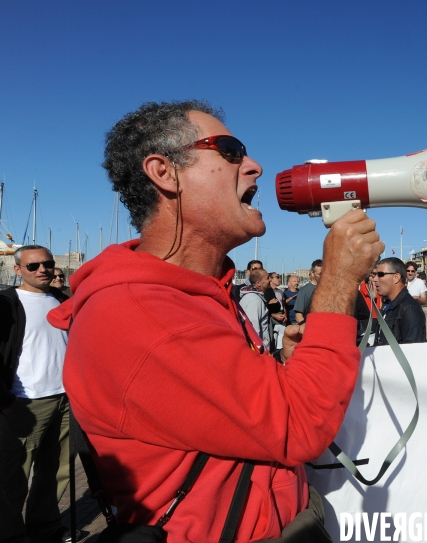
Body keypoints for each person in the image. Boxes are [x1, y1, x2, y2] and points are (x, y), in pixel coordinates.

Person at [47, 100, 383, 542]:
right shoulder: (139, 312)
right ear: (164, 173)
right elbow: (297, 426)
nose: (255, 166)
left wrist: (288, 366)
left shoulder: (196, 292)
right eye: (229, 150)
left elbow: (234, 413)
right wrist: (338, 282)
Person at [0, 245, 70, 543]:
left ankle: (45, 531)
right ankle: (11, 536)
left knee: (57, 472)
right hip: (24, 403)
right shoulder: (6, 304)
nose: (42, 270)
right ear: (18, 270)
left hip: (66, 400)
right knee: (12, 479)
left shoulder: (62, 300)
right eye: (33, 266)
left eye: (47, 264)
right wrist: (6, 401)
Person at [372, 257, 425, 345]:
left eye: (380, 274)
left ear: (396, 277)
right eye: (375, 275)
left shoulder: (409, 309)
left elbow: (411, 351)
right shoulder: (387, 304)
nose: (375, 279)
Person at [239, 268, 272, 350]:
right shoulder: (255, 300)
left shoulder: (252, 297)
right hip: (259, 352)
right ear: (258, 283)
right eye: (267, 278)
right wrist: (259, 352)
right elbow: (253, 330)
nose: (270, 280)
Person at [294, 259, 322, 325]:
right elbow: (298, 315)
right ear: (312, 273)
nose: (322, 277)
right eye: (319, 274)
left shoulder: (328, 289)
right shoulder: (304, 291)